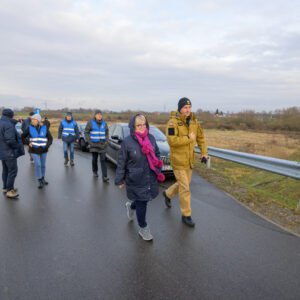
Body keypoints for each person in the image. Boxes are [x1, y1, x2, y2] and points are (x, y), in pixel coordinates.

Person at [115, 114, 165, 241]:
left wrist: (157, 166)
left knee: (144, 199)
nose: (142, 127)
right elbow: (122, 162)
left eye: (144, 124)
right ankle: (143, 228)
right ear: (133, 126)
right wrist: (119, 179)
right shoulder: (127, 142)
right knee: (143, 202)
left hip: (150, 176)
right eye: (139, 125)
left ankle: (131, 207)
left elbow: (157, 153)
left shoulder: (151, 138)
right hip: (136, 178)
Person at [163, 97, 208, 227]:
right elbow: (172, 141)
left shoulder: (194, 122)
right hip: (177, 161)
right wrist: (188, 138)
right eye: (185, 108)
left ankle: (167, 193)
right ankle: (186, 215)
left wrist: (204, 153)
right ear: (180, 108)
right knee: (185, 189)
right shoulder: (173, 123)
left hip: (189, 160)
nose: (187, 110)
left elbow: (201, 139)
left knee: (184, 184)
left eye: (189, 107)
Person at [21, 114, 53, 189]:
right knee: (38, 164)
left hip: (44, 149)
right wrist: (28, 143)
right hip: (34, 150)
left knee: (43, 165)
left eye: (34, 120)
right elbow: (22, 137)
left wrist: (47, 145)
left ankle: (43, 178)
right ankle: (39, 180)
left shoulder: (45, 128)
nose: (32, 121)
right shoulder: (29, 128)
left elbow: (50, 138)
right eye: (32, 120)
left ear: (38, 121)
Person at [0, 108, 24, 199]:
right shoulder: (9, 125)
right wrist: (17, 147)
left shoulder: (1, 122)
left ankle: (6, 187)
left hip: (2, 151)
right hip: (9, 152)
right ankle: (10, 190)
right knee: (13, 171)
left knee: (5, 170)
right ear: (11, 115)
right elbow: (10, 140)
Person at [84, 110, 109, 182]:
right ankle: (95, 171)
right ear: (95, 115)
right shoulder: (90, 122)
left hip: (102, 144)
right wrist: (90, 142)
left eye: (100, 114)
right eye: (98, 114)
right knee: (94, 160)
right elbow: (86, 132)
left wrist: (106, 141)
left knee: (103, 160)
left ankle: (105, 176)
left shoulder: (104, 123)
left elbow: (107, 133)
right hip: (94, 144)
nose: (99, 116)